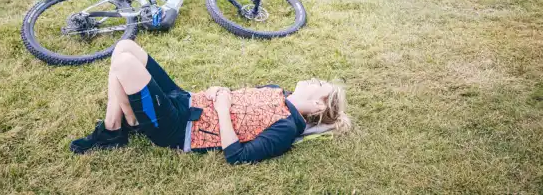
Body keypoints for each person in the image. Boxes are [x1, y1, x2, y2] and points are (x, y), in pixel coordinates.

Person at [71, 40, 351, 164]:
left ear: (318, 107)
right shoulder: (276, 91)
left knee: (122, 63)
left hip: (179, 129)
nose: (312, 80)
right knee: (125, 47)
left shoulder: (286, 128)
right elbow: (240, 101)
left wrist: (220, 108)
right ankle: (131, 120)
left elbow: (238, 156)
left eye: (318, 85)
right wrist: (220, 92)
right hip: (187, 99)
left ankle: (111, 130)